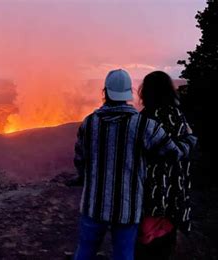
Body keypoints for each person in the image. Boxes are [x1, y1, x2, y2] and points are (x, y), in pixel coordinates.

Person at [73, 69, 197, 260]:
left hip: (93, 205)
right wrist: (190, 138)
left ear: (105, 92)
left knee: (85, 251)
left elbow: (80, 159)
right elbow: (175, 153)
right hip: (127, 208)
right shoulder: (144, 125)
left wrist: (84, 177)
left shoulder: (89, 123)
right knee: (124, 255)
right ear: (128, 93)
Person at [135, 71, 193, 260]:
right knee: (166, 241)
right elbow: (186, 145)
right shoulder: (178, 116)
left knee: (146, 241)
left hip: (151, 188)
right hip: (175, 188)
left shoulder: (146, 118)